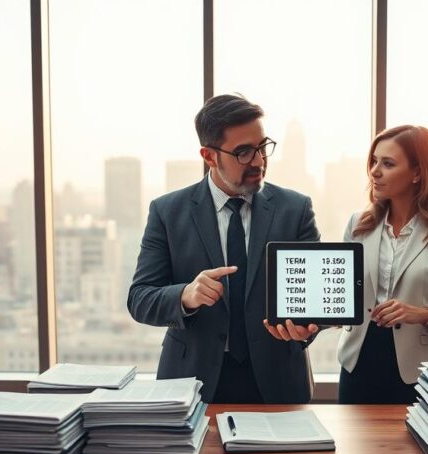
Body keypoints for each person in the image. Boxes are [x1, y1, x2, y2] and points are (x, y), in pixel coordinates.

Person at [265, 125, 428, 403]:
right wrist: (308, 325)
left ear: (418, 173)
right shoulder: (358, 225)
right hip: (358, 366)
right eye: (373, 161)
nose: (374, 171)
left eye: (388, 163)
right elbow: (343, 301)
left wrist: (423, 315)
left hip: (421, 375)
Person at [127, 94, 320, 404]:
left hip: (277, 380)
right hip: (192, 381)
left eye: (262, 147)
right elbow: (140, 299)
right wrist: (186, 295)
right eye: (244, 152)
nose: (258, 161)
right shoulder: (167, 212)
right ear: (209, 156)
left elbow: (315, 300)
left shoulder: (295, 209)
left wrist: (306, 328)